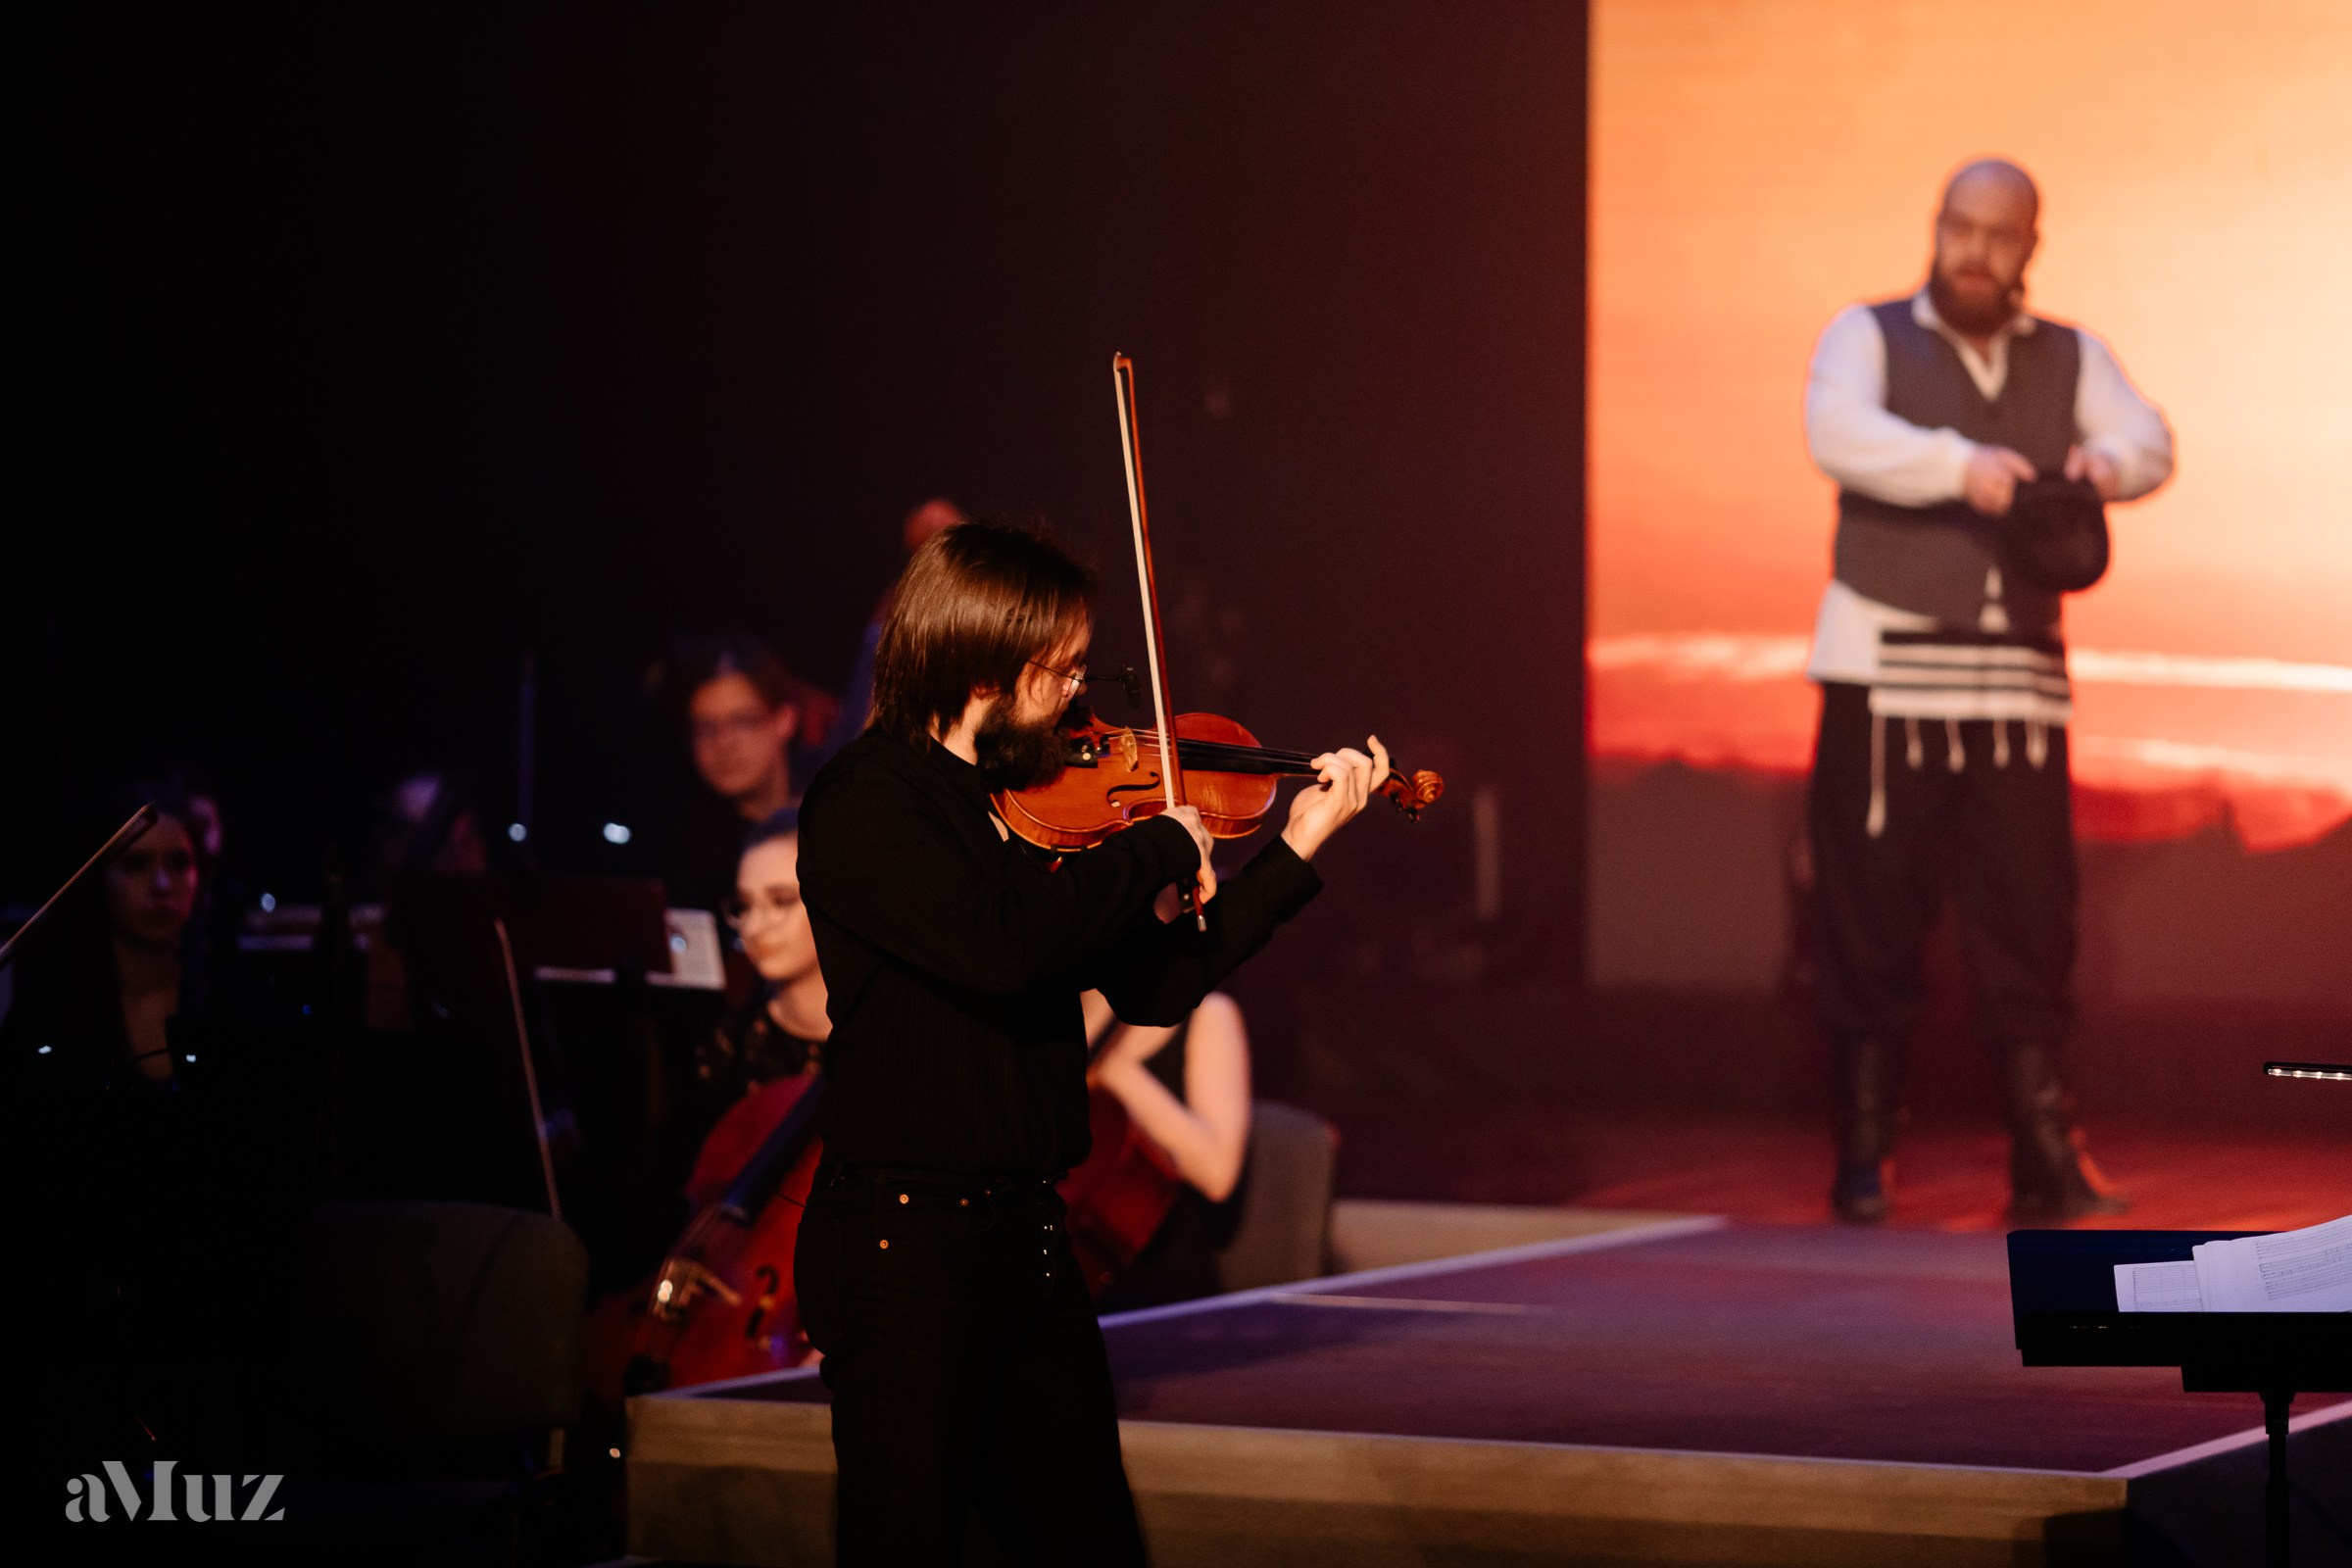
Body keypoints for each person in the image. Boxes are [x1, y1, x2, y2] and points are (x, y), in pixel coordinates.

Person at [794, 519, 1389, 1563]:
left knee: (1088, 1541)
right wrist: (1157, 841)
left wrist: (1293, 850)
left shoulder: (1030, 805)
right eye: (1058, 665)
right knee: (911, 1541)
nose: (1077, 693)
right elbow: (1004, 950)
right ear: (983, 655)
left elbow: (1162, 988)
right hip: (904, 1247)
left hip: (1028, 1240)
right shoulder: (868, 803)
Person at [1800, 158, 2173, 1223]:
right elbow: (1837, 434)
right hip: (1887, 671)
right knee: (1869, 911)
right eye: (1958, 225)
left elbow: (2151, 444)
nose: (1972, 248)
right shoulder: (1866, 335)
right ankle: (1865, 1150)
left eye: (1996, 233)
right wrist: (1960, 467)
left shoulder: (2070, 355)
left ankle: (2044, 1144)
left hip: (2015, 690)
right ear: (1936, 227)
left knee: (2027, 913)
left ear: (2029, 247)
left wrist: (2096, 465)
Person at [3, 790, 214, 1094]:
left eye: (179, 863)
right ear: (99, 876)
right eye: (136, 864)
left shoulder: (231, 1000)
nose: (162, 885)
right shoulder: (52, 1009)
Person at [1066, 988, 1253, 1312]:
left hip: (1156, 1289)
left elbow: (1217, 1173)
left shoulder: (1206, 1013)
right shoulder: (1045, 1020)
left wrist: (1118, 1071)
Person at [650, 635, 834, 915]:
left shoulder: (832, 811)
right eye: (707, 728)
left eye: (743, 721)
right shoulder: (683, 853)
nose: (724, 743)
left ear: (784, 720)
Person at [699, 807, 829, 1102]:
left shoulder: (909, 1035)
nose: (753, 927)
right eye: (744, 906)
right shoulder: (729, 1050)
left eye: (782, 901)